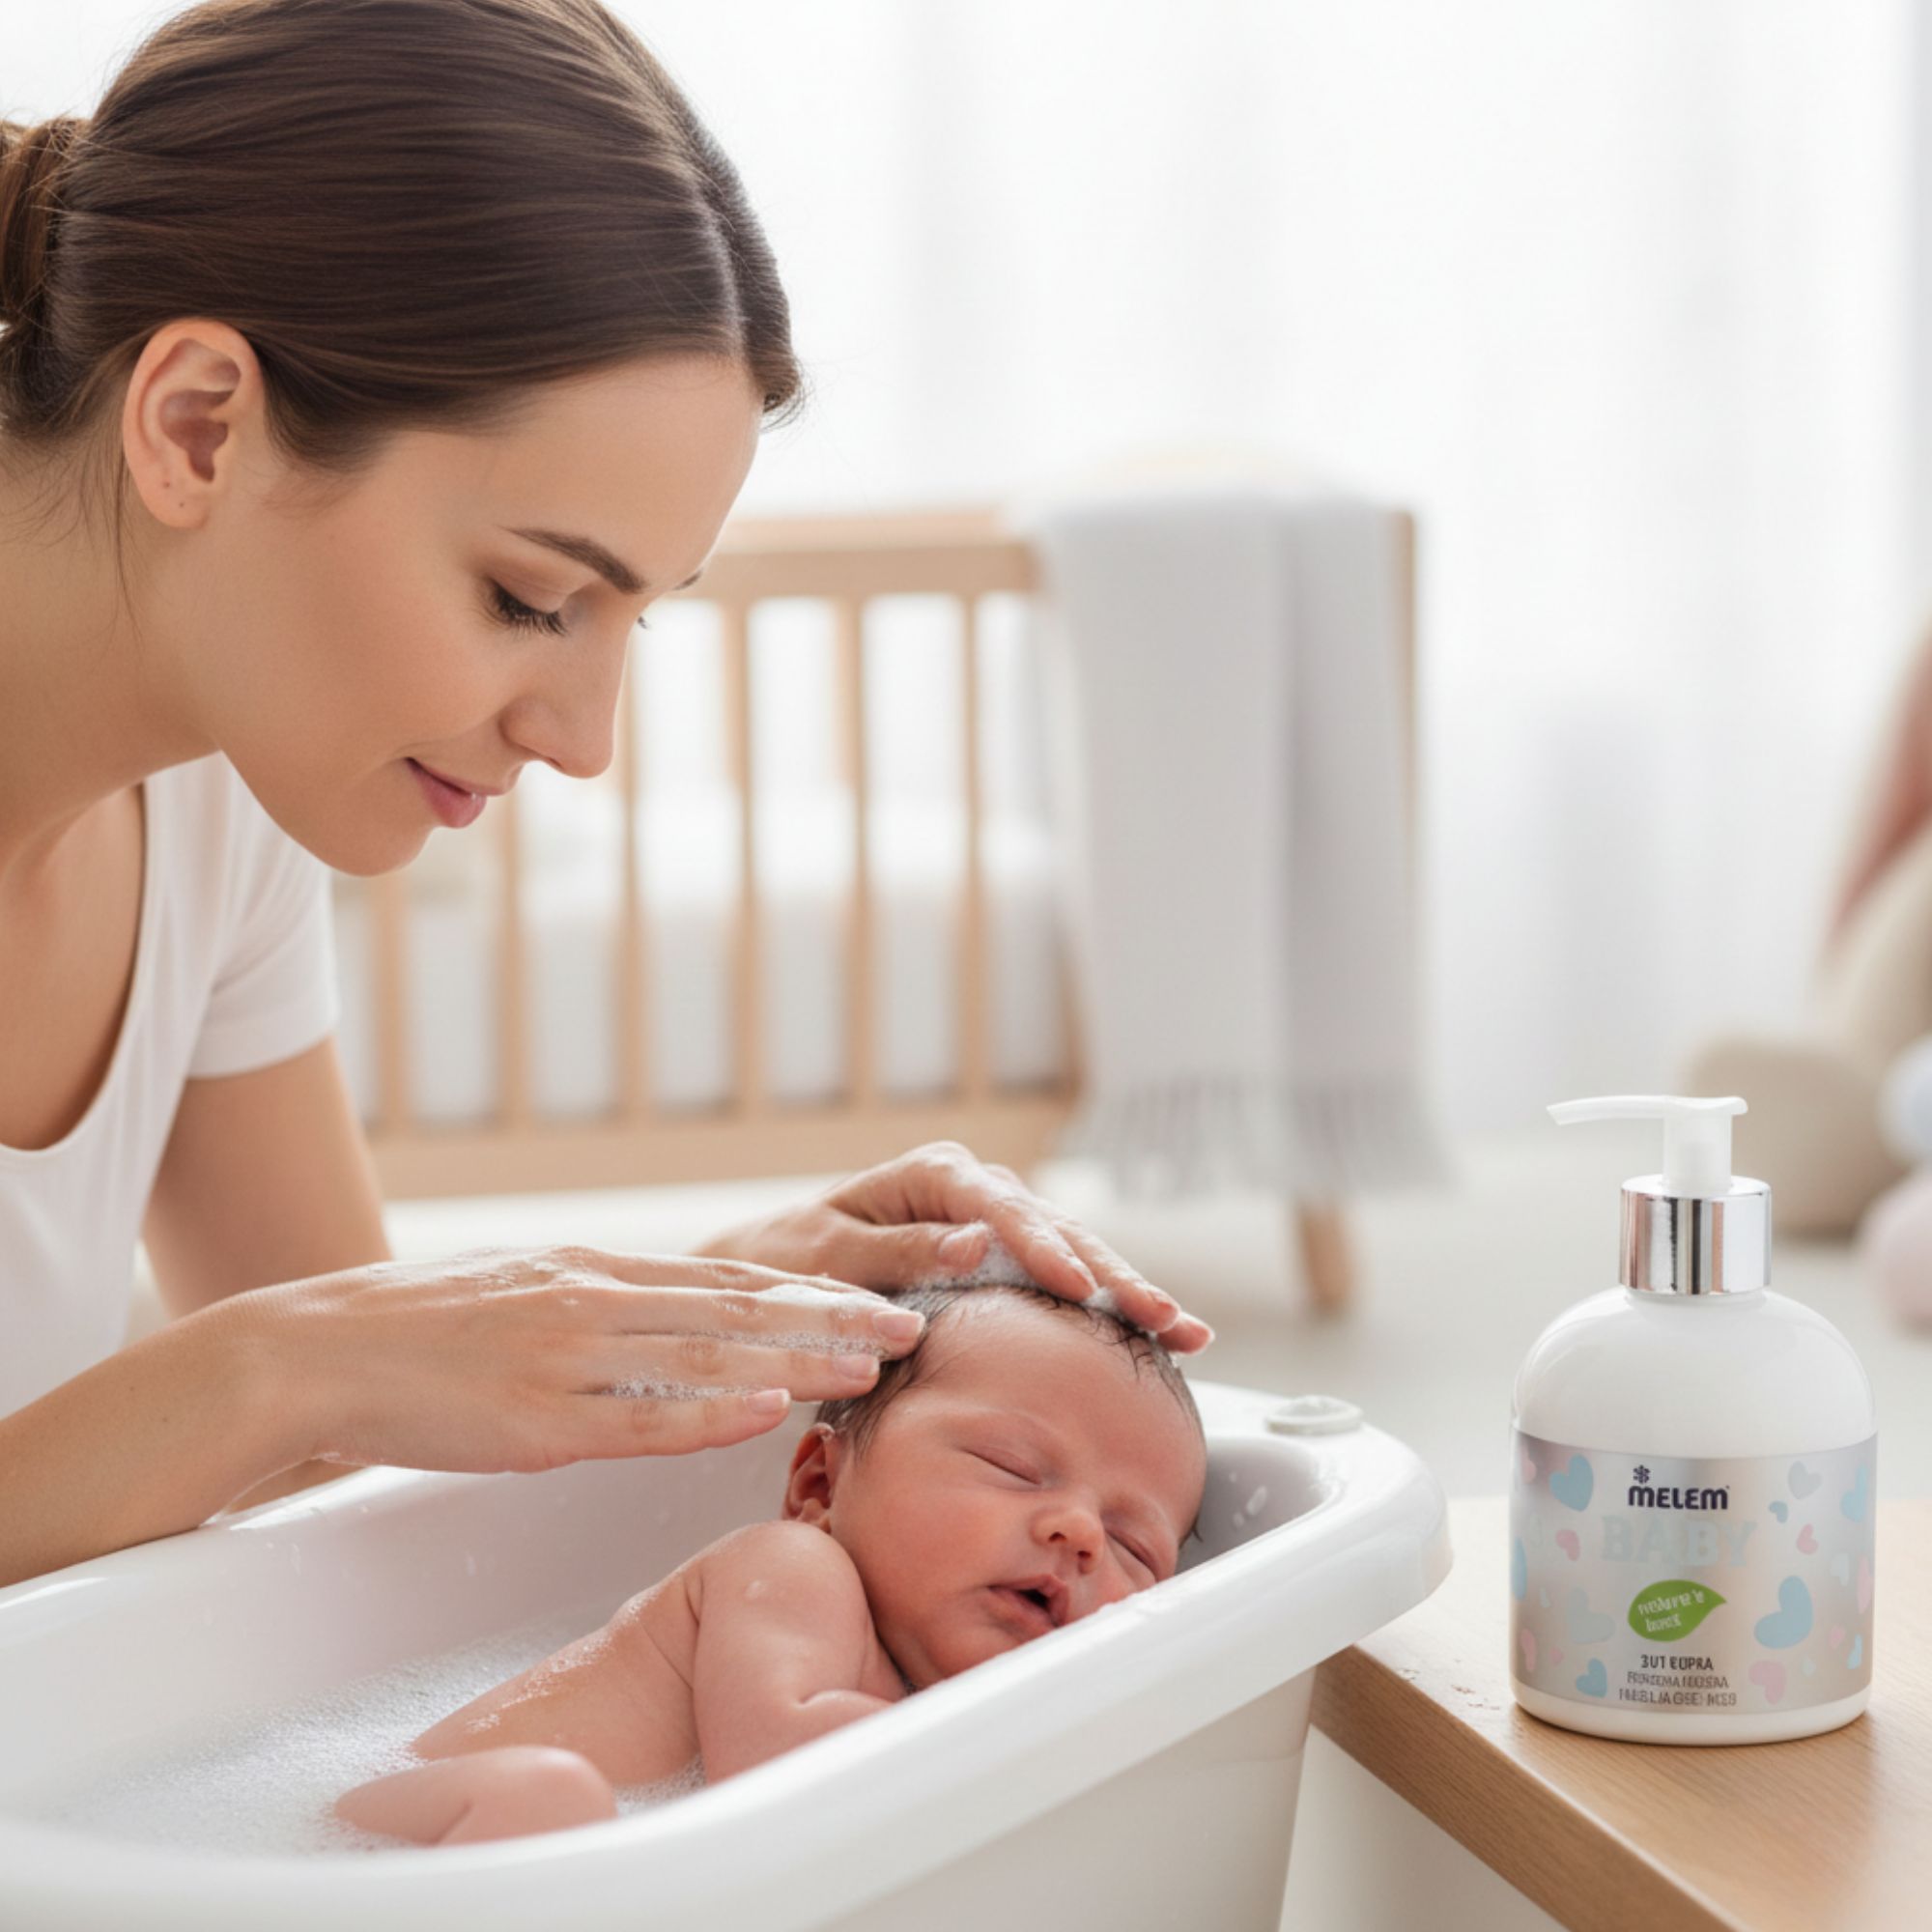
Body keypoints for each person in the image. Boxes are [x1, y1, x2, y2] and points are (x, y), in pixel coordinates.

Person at [0, 0, 1210, 1595]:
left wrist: (699, 1300)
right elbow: (292, 1378)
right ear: (197, 425)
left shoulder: (215, 816)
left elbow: (343, 1415)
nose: (583, 743)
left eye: (636, 618)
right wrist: (274, 1367)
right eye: (527, 598)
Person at [332, 1276, 1208, 1846]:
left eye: (1136, 1547)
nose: (1081, 1534)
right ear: (820, 1485)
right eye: (1011, 1467)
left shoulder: (909, 1692)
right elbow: (783, 1760)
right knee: (545, 1795)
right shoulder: (796, 1569)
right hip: (409, 1839)